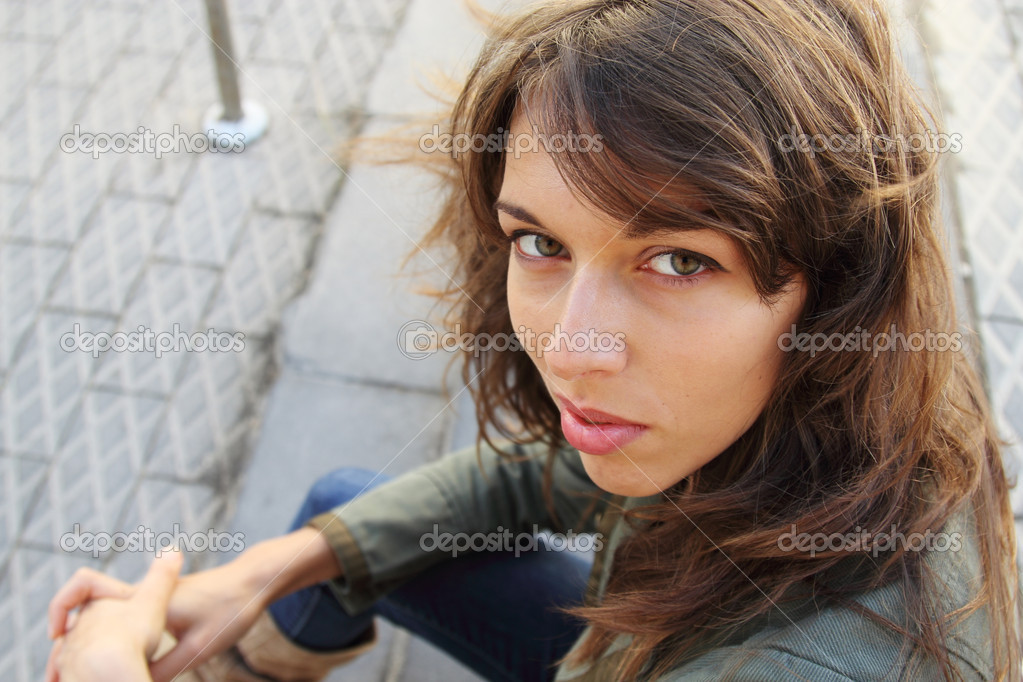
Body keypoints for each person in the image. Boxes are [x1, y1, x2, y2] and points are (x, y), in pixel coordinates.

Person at [47, 0, 1022, 680]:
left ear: (832, 289)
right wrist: (256, 573)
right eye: (541, 242)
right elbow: (539, 476)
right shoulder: (840, 397)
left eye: (679, 260)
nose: (572, 347)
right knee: (335, 519)